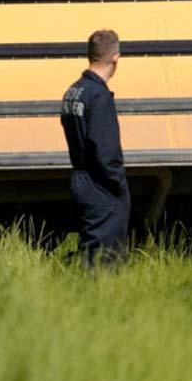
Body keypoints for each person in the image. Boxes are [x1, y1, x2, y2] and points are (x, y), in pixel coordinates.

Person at [60, 29, 130, 268]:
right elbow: (105, 150)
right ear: (115, 58)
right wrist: (118, 183)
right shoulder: (98, 96)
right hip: (101, 185)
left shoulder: (73, 91)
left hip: (81, 178)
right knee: (105, 260)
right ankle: (101, 301)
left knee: (89, 251)